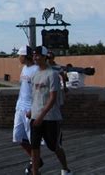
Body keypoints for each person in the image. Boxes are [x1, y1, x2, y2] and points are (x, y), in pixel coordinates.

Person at [28, 46, 72, 175]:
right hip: (35, 116)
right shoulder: (35, 74)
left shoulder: (52, 74)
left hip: (50, 118)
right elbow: (35, 96)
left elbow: (53, 98)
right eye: (34, 55)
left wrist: (41, 116)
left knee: (53, 146)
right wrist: (32, 111)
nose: (35, 58)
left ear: (45, 57)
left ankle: (65, 168)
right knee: (34, 147)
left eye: (38, 55)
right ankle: (35, 172)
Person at [12, 46, 41, 174]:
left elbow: (39, 93)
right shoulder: (24, 68)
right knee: (18, 137)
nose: (18, 58)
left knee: (32, 140)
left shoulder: (36, 70)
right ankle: (36, 160)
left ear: (25, 56)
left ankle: (35, 169)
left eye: (20, 55)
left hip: (30, 109)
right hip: (20, 107)